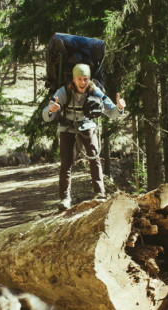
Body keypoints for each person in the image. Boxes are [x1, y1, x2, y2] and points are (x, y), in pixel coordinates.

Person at [42, 63, 126, 210]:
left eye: (85, 79)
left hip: (87, 126)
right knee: (66, 163)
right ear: (74, 79)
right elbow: (47, 116)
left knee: (94, 158)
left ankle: (100, 194)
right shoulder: (63, 92)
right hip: (67, 127)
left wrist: (119, 108)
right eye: (79, 79)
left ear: (89, 79)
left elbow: (111, 111)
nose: (82, 82)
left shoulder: (95, 91)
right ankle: (65, 199)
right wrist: (50, 110)